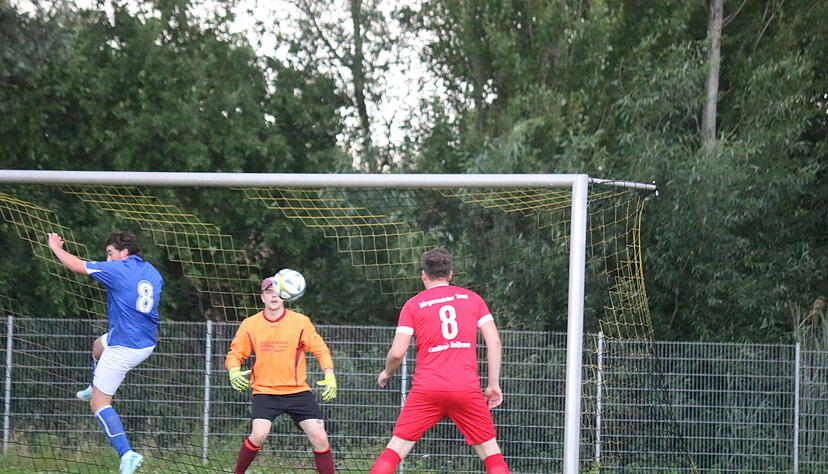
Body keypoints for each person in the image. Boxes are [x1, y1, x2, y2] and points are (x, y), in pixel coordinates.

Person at [370, 249, 510, 474]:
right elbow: (493, 342)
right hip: (465, 388)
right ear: (451, 274)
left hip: (427, 389)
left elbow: (397, 353)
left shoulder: (413, 305)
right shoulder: (473, 299)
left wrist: (387, 372)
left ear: (423, 274)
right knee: (492, 455)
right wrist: (493, 384)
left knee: (395, 450)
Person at [47, 230, 163, 474]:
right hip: (144, 341)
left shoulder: (117, 269)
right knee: (98, 346)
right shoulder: (152, 271)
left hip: (125, 346)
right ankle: (93, 386)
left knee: (100, 403)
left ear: (124, 252)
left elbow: (77, 266)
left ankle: (127, 454)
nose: (108, 259)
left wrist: (55, 248)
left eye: (110, 253)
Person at [225, 271, 338, 474]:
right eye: (268, 292)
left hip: (297, 392)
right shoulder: (250, 324)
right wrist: (233, 370)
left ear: (285, 295)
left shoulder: (300, 322)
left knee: (320, 436)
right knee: (259, 434)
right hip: (265, 391)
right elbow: (235, 354)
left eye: (277, 291)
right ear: (262, 297)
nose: (274, 296)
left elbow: (321, 349)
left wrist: (329, 374)